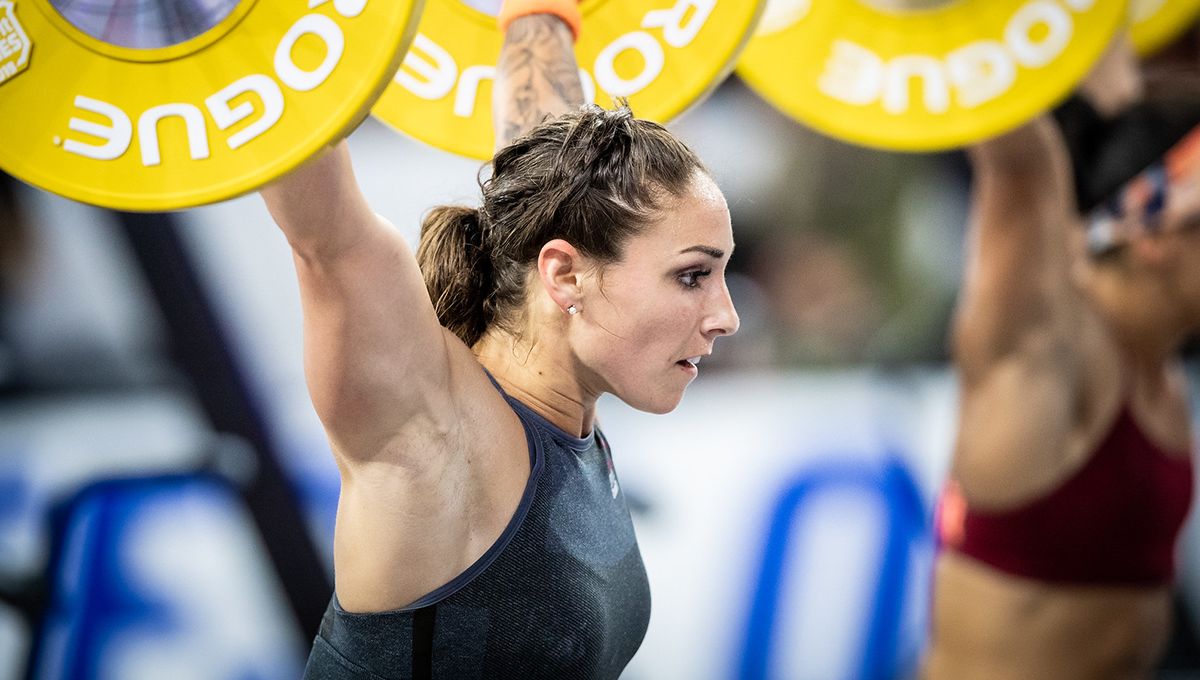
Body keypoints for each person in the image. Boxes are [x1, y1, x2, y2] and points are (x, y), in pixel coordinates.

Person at [259, 0, 740, 676]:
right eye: (692, 276)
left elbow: (548, 151)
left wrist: (534, 15)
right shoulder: (432, 436)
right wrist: (247, 29)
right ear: (565, 275)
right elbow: (327, 237)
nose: (726, 316)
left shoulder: (567, 410)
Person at [925, 37, 1200, 680]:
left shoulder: (1154, 353)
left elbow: (1100, 53)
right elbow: (1021, 160)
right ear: (1157, 234)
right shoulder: (1043, 345)